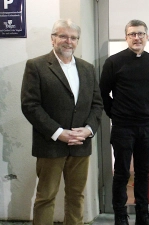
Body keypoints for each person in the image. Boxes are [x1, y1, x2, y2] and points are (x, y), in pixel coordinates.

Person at [20, 19, 103, 225]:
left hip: (80, 145)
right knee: (45, 197)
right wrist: (59, 133)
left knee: (76, 196)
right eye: (63, 36)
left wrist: (88, 130)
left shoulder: (87, 69)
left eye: (73, 38)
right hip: (50, 144)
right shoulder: (36, 66)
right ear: (53, 39)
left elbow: (97, 104)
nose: (68, 41)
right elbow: (30, 105)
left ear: (77, 41)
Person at [99, 19, 149, 225]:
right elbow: (102, 93)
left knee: (143, 172)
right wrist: (116, 114)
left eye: (141, 34)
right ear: (126, 37)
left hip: (146, 126)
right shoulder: (114, 62)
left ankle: (143, 215)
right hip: (123, 127)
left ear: (147, 37)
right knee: (122, 173)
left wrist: (143, 110)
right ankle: (121, 217)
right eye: (132, 34)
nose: (137, 38)